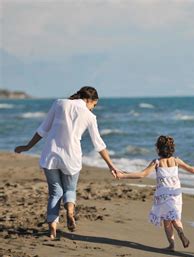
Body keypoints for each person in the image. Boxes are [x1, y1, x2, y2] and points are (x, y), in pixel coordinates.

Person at [14, 86, 118, 239]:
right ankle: (70, 212)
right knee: (70, 190)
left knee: (55, 192)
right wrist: (111, 165)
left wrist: (27, 146)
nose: (93, 109)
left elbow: (43, 129)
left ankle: (52, 231)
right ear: (90, 100)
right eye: (94, 105)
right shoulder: (90, 116)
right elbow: (99, 144)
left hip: (51, 155)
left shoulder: (59, 103)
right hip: (72, 157)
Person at [117, 135, 194, 251]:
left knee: (167, 220)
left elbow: (142, 174)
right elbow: (193, 170)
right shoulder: (176, 161)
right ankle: (180, 231)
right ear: (171, 148)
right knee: (175, 217)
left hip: (163, 194)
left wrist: (123, 176)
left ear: (158, 149)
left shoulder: (157, 162)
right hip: (175, 193)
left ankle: (172, 245)